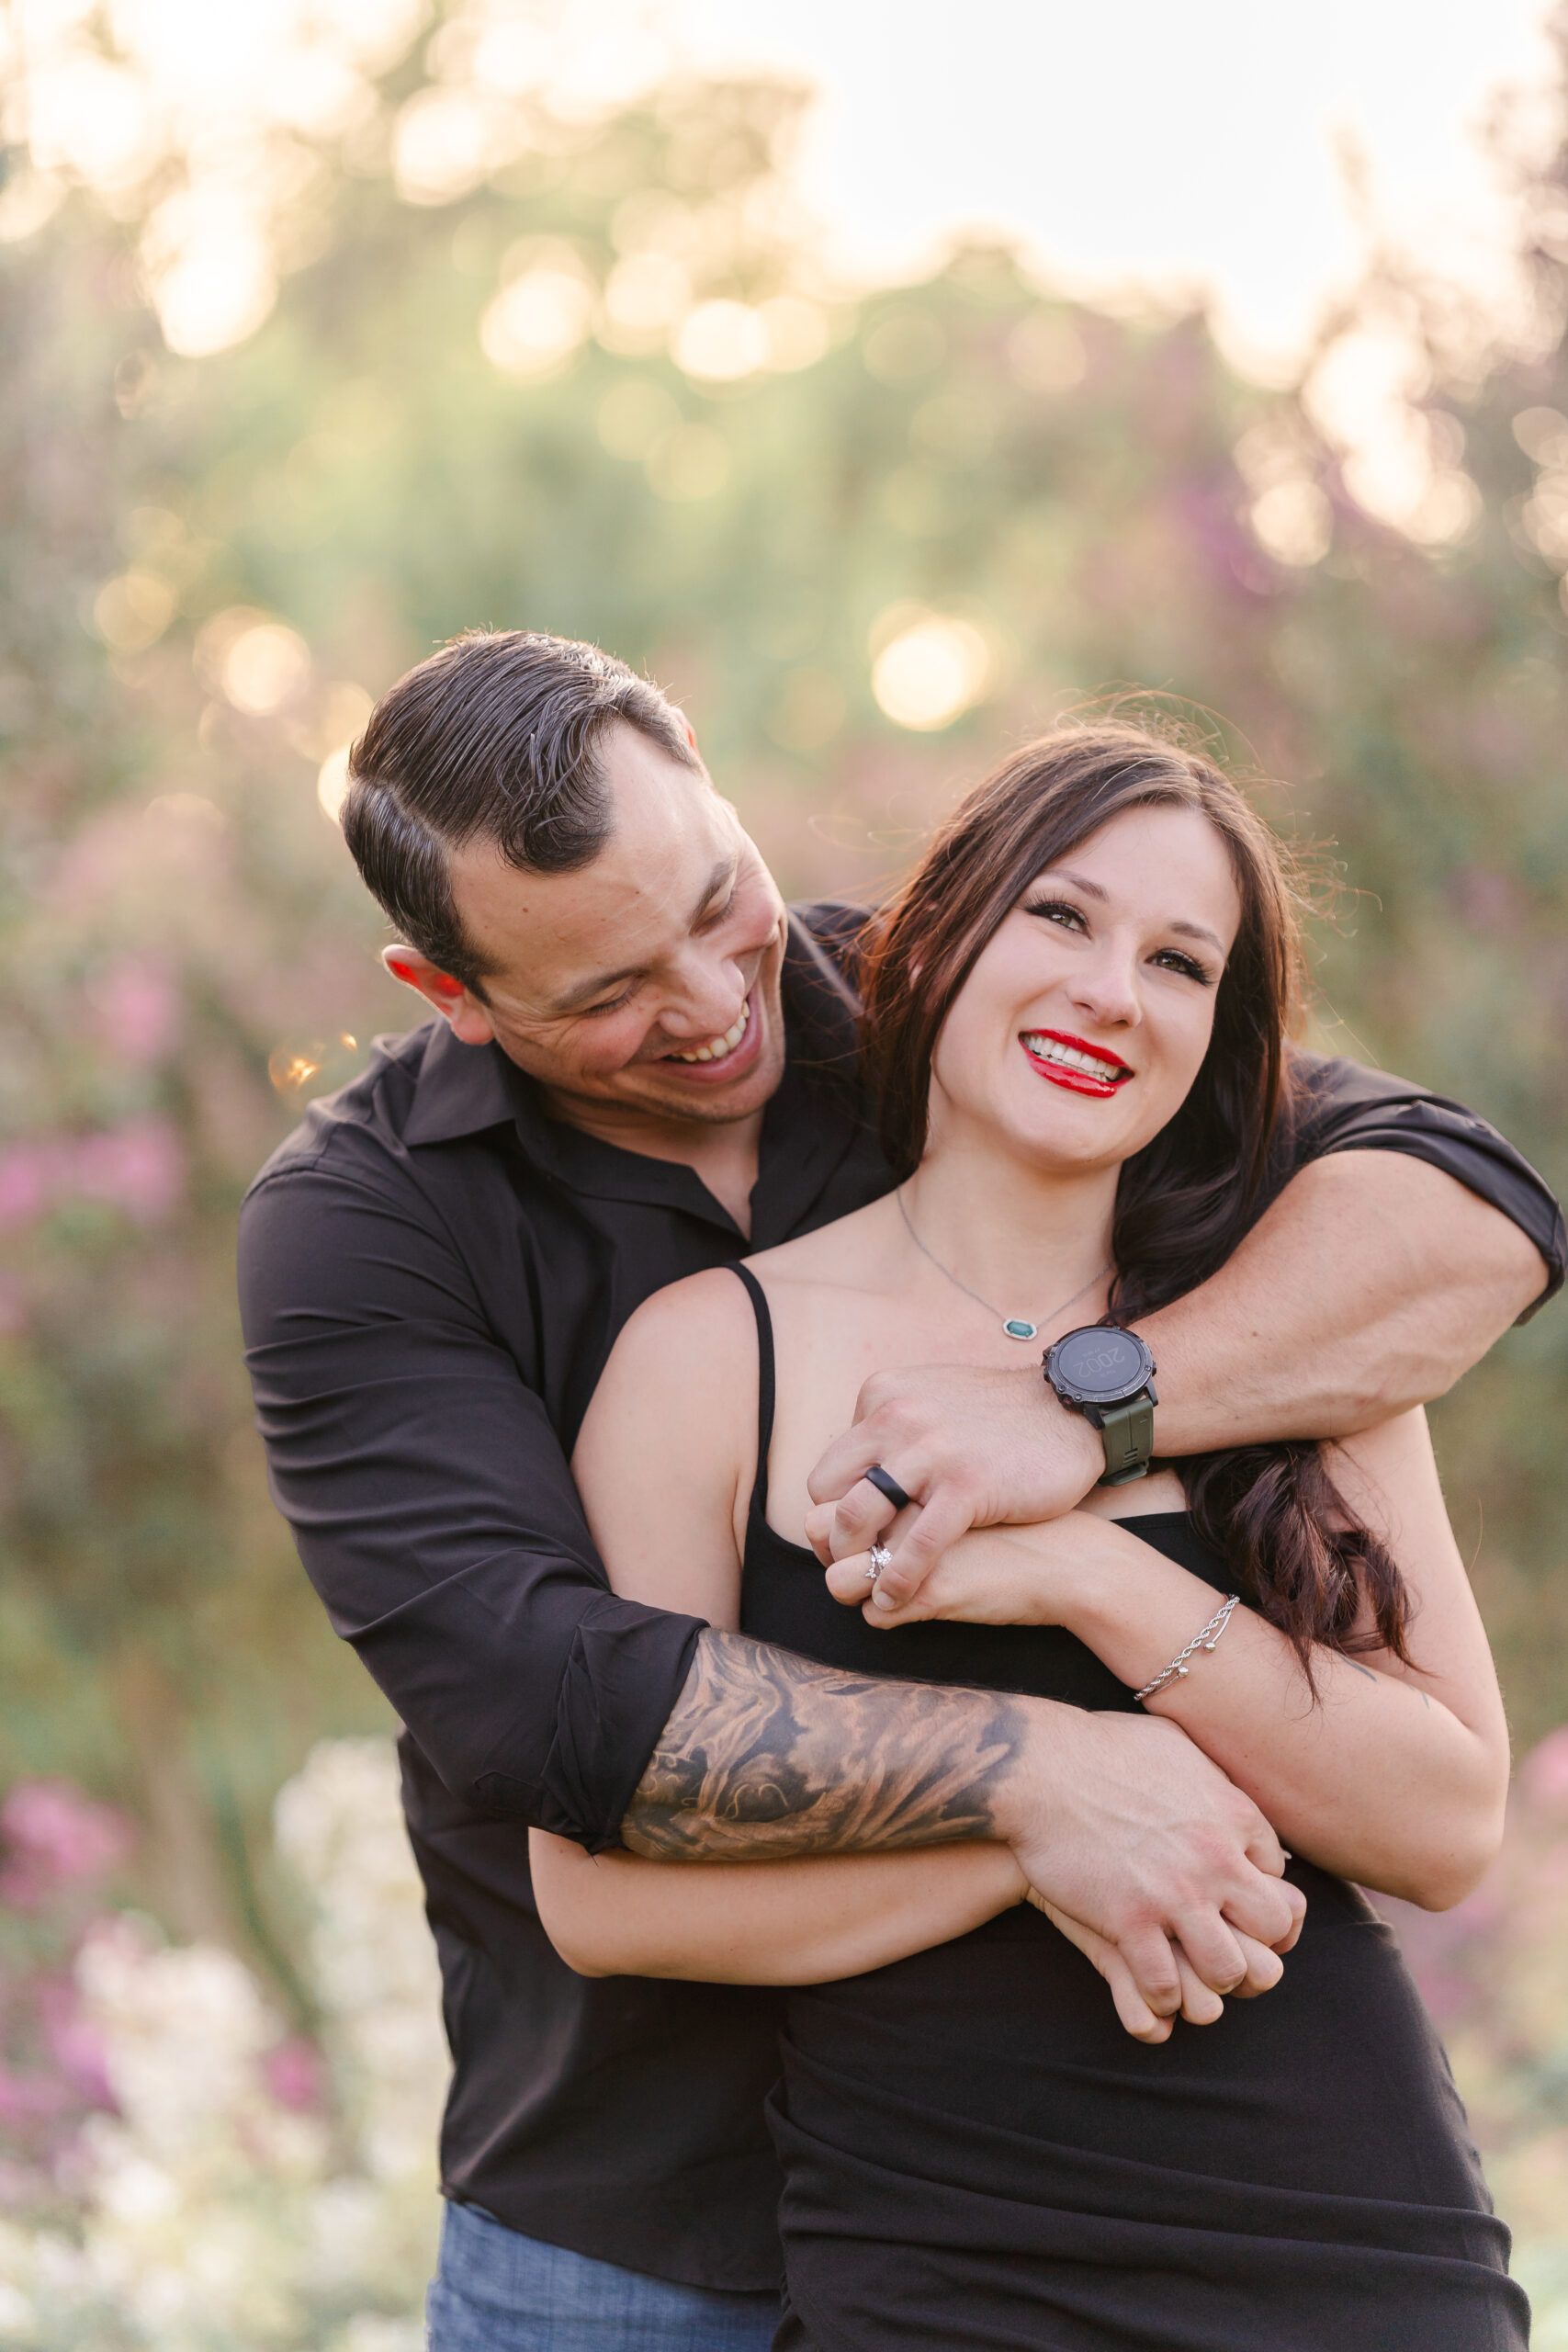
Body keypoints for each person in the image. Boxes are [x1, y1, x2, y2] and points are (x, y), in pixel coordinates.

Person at [237, 632, 1559, 2351]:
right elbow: (552, 1704)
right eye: (605, 993)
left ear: (717, 784)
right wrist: (1040, 1791)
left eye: (720, 903)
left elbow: (1464, 1204)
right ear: (452, 994)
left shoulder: (988, 991)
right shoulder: (369, 1230)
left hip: (1303, 2213)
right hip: (644, 2208)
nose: (718, 1006)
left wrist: (1091, 1438)